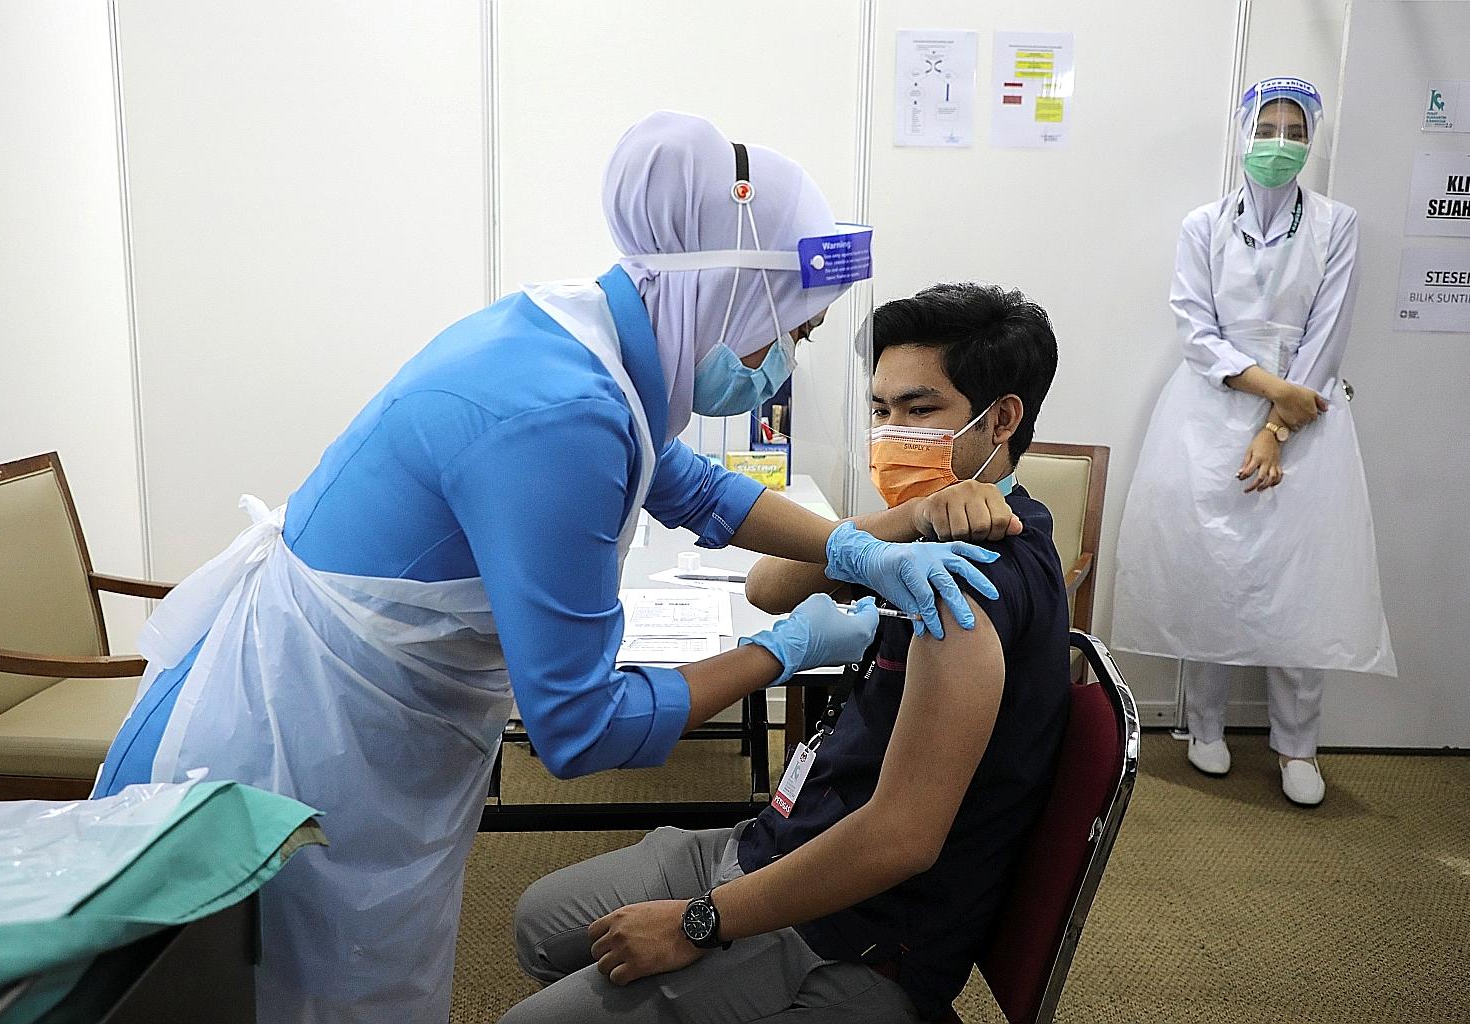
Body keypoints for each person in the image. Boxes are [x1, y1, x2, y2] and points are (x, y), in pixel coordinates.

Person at [88, 112, 1004, 1024]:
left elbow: (681, 478)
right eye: (788, 335)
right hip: (288, 750)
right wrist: (783, 648)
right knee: (272, 992)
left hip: (309, 706)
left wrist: (851, 545)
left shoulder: (579, 327)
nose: (779, 366)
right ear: (728, 297)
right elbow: (577, 729)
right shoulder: (563, 413)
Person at [502, 282, 1068, 1024]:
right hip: (781, 836)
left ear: (1001, 420)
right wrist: (908, 515)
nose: (893, 433)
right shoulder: (935, 537)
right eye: (881, 409)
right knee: (540, 925)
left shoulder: (969, 585)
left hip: (848, 933)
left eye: (920, 410)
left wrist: (698, 921)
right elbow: (770, 586)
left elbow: (900, 838)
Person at [1111, 77, 1395, 807]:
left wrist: (1278, 426)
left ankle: (1297, 745)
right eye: (1265, 128)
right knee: (1213, 568)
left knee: (1302, 580)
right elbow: (1195, 330)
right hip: (1211, 409)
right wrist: (1271, 395)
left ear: (1312, 141)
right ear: (1243, 135)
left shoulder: (1338, 224)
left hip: (1308, 410)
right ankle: (1203, 726)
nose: (1278, 144)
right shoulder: (1203, 225)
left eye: (1295, 131)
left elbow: (1329, 332)